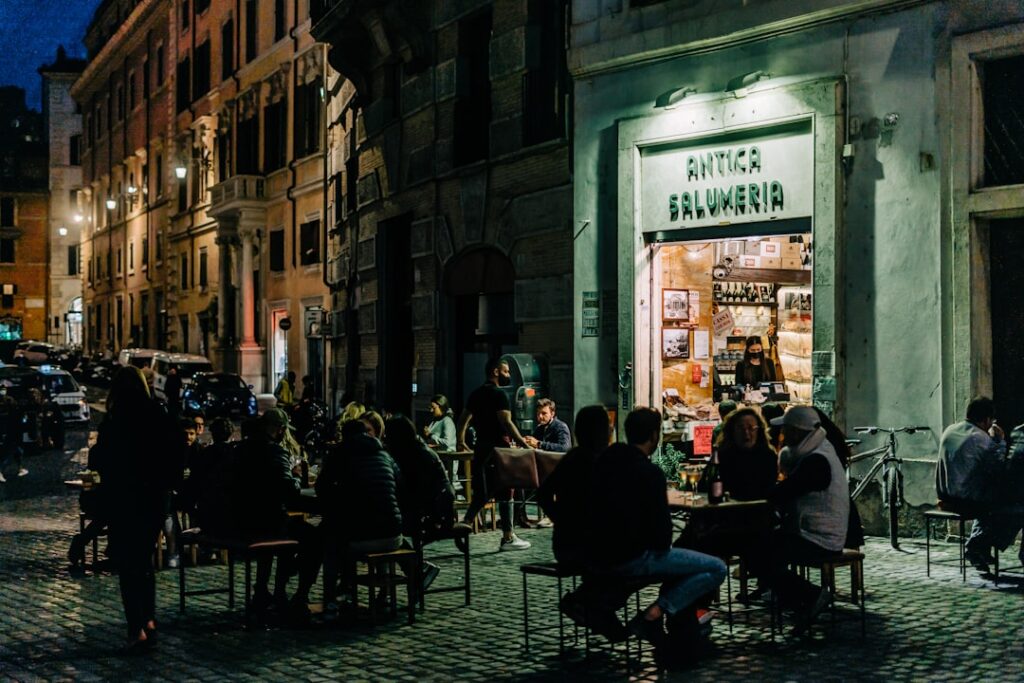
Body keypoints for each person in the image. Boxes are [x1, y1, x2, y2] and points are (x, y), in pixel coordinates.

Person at [583, 407, 726, 667]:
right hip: (635, 557)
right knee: (716, 567)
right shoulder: (649, 474)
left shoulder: (603, 463)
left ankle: (671, 625)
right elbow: (662, 536)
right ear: (654, 435)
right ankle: (654, 614)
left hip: (598, 553)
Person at [90, 366, 179, 652]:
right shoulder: (157, 413)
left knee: (128, 565)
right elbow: (174, 453)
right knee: (144, 559)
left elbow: (101, 460)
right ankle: (149, 618)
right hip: (154, 498)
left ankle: (136, 627)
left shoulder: (116, 420)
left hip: (125, 498)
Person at [746, 406, 850, 634]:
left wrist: (755, 495)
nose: (782, 434)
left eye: (785, 429)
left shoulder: (816, 461)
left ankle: (812, 597)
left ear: (796, 431)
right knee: (759, 549)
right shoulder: (819, 451)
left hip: (819, 537)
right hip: (813, 531)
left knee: (757, 555)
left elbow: (784, 493)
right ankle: (799, 602)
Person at [235, 408, 322, 621]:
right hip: (268, 522)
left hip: (242, 519)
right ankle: (297, 594)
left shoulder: (241, 448)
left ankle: (265, 590)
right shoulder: (275, 451)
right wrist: (295, 477)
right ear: (281, 430)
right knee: (313, 538)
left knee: (288, 529)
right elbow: (288, 490)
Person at [316, 419, 407, 608]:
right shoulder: (384, 454)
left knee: (331, 544)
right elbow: (400, 487)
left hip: (361, 537)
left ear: (345, 436)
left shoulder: (340, 453)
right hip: (393, 535)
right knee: (374, 522)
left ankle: (332, 599)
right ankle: (384, 593)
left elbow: (322, 487)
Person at [937, 397, 1024, 573]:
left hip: (945, 496)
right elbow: (998, 467)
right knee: (1014, 507)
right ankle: (978, 544)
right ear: (986, 420)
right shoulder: (980, 438)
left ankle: (981, 548)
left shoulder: (950, 430)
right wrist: (999, 440)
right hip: (967, 500)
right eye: (991, 420)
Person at [457, 357, 532, 551]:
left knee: (484, 492)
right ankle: (508, 537)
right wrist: (523, 443)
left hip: (481, 448)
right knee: (506, 490)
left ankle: (465, 522)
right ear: (496, 372)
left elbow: (463, 419)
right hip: (499, 449)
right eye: (506, 371)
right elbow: (506, 422)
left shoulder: (476, 394)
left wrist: (460, 440)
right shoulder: (500, 395)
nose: (508, 375)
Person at [384, 415, 457, 591]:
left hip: (434, 513)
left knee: (387, 529)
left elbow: (417, 493)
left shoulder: (417, 455)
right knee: (386, 528)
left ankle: (414, 572)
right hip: (430, 507)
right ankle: (416, 571)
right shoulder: (414, 450)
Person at [713, 407, 778, 501]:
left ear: (759, 430)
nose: (746, 433)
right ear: (732, 431)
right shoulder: (721, 456)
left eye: (751, 428)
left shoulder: (768, 456)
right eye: (741, 428)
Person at [0, 394, 27, 482]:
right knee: (7, 454)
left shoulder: (7, 412)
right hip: (14, 435)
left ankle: (20, 468)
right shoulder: (15, 412)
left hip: (12, 435)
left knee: (16, 453)